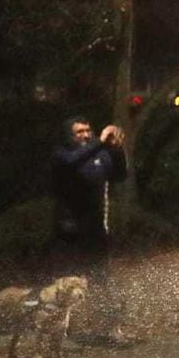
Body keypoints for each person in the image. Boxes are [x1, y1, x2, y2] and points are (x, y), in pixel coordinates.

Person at [51, 117, 128, 345]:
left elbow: (121, 174)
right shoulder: (61, 155)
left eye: (88, 130)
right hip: (69, 230)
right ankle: (60, 334)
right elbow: (74, 162)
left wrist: (117, 150)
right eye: (79, 132)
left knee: (101, 279)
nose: (86, 135)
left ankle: (111, 330)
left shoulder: (98, 155)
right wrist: (100, 141)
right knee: (66, 283)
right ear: (69, 136)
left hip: (95, 230)